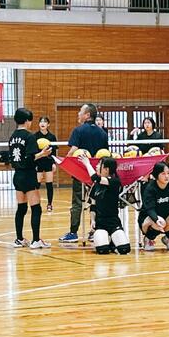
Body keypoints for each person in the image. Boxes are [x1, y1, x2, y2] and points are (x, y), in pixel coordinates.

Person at [59, 104, 109, 243]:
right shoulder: (102, 133)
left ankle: (73, 233)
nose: (78, 114)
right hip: (97, 174)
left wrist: (64, 162)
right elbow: (105, 155)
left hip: (81, 173)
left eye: (80, 111)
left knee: (77, 202)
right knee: (96, 201)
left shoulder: (78, 130)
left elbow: (73, 150)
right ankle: (95, 231)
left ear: (87, 115)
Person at [9, 108, 53, 249]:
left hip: (17, 175)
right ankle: (35, 240)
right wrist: (42, 154)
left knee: (21, 208)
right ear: (27, 121)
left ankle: (19, 239)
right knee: (36, 208)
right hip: (28, 175)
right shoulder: (29, 137)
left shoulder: (12, 137)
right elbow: (29, 158)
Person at [79, 155, 130, 255]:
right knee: (102, 250)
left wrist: (87, 164)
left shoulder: (115, 182)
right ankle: (107, 240)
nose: (96, 167)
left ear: (106, 169)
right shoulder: (96, 185)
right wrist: (93, 220)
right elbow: (93, 205)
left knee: (124, 249)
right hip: (100, 223)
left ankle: (112, 241)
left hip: (113, 222)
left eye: (99, 165)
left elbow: (95, 178)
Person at [34, 116, 58, 212]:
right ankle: (36, 204)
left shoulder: (52, 137)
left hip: (48, 162)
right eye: (41, 122)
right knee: (36, 184)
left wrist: (54, 163)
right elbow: (33, 151)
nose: (42, 123)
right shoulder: (35, 136)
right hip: (38, 162)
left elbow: (54, 152)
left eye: (45, 122)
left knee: (49, 184)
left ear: (48, 124)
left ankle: (49, 204)